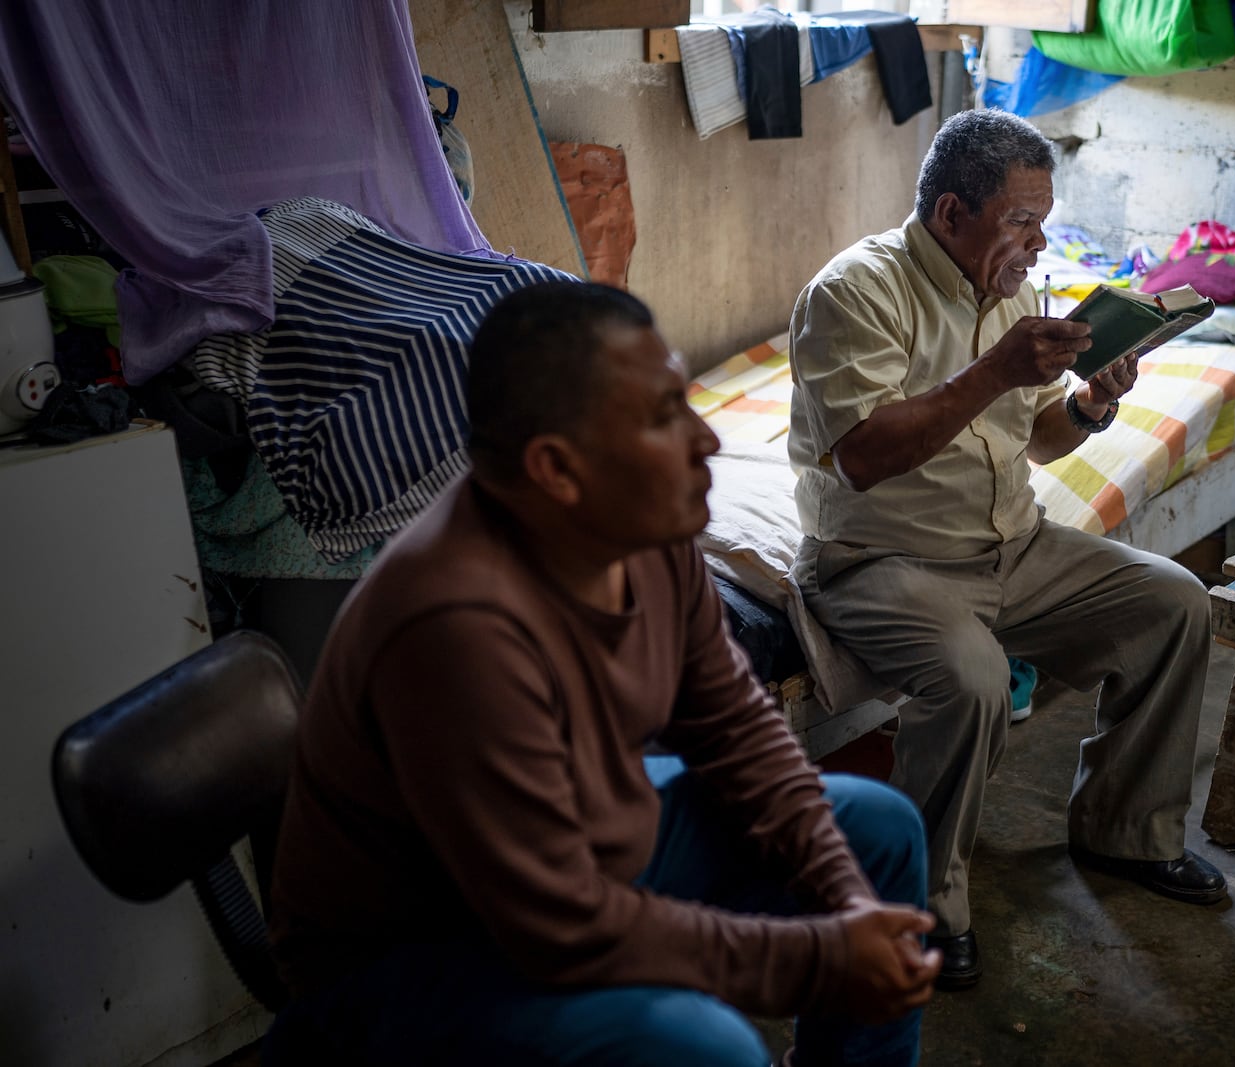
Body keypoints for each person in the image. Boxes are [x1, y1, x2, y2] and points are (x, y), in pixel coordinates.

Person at [264, 281, 942, 1067]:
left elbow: (735, 731)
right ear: (557, 468)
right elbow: (560, 926)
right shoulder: (454, 626)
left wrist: (849, 907)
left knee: (875, 836)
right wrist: (822, 957)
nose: (706, 440)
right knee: (707, 1049)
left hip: (579, 852)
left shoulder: (646, 536)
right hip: (414, 955)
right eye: (662, 416)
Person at [787, 108, 1227, 992]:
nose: (1038, 239)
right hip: (884, 558)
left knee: (1176, 600)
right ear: (953, 213)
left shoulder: (1015, 290)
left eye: (1043, 216)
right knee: (972, 676)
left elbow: (1035, 441)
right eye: (1021, 218)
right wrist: (995, 368)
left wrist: (1092, 404)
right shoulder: (855, 292)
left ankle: (1124, 831)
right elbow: (866, 456)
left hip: (1013, 548)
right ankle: (921, 907)